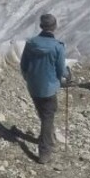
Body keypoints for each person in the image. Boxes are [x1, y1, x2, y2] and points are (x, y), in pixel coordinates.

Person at [20, 13, 69, 164]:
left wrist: (29, 78)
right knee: (48, 117)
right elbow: (61, 70)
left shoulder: (31, 43)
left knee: (43, 114)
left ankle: (49, 137)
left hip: (33, 86)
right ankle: (45, 151)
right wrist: (67, 75)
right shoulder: (57, 46)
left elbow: (23, 65)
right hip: (49, 88)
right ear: (55, 26)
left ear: (41, 26)